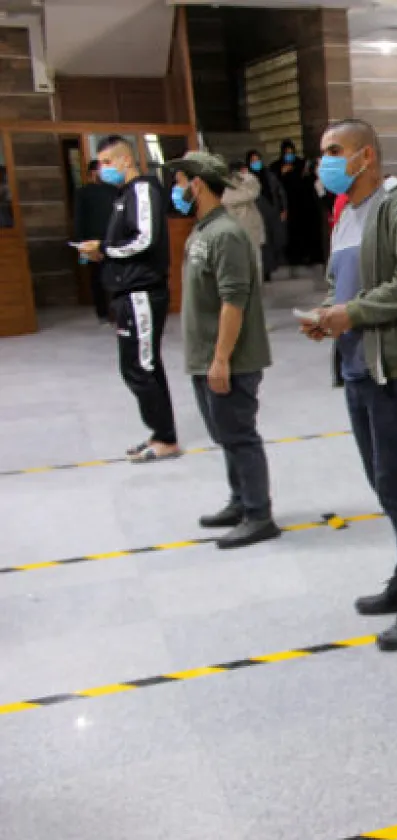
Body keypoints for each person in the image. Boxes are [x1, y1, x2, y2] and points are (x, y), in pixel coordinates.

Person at [300, 118, 397, 653]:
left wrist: (353, 312)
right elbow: (341, 283)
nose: (326, 160)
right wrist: (327, 314)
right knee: (383, 479)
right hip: (360, 363)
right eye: (323, 151)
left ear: (366, 155)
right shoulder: (346, 215)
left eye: (334, 150)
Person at [167, 152, 279, 549]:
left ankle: (258, 514)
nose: (177, 190)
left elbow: (235, 299)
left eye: (180, 181)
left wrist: (221, 359)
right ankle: (240, 501)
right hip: (206, 355)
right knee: (225, 434)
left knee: (239, 434)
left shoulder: (227, 234)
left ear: (196, 184)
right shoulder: (204, 230)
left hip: (230, 358)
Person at [80, 135, 180, 463]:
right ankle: (159, 432)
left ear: (126, 160)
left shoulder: (142, 190)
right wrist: (102, 253)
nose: (103, 170)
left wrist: (106, 250)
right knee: (138, 365)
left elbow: (146, 239)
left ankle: (165, 438)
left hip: (141, 292)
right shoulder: (123, 196)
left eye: (109, 163)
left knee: (141, 366)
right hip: (126, 290)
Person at [73, 159, 116, 325]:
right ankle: (102, 313)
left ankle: (116, 312)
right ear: (93, 172)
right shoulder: (83, 193)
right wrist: (81, 243)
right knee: (96, 278)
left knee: (114, 276)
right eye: (102, 169)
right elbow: (79, 218)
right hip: (92, 241)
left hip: (112, 240)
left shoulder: (114, 191)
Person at [277, 139, 324, 270]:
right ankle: (294, 258)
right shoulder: (277, 167)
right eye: (286, 153)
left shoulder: (301, 164)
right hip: (290, 207)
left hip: (305, 206)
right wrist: (283, 174)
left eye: (291, 152)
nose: (289, 155)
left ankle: (310, 256)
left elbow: (308, 182)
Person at [246, 149, 286, 281]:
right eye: (253, 161)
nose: (256, 163)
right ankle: (262, 271)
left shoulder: (269, 175)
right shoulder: (247, 179)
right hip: (256, 214)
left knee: (271, 241)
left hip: (271, 213)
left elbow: (279, 192)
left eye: (258, 160)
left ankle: (269, 269)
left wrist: (283, 208)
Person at [222, 160, 266, 257]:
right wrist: (243, 175)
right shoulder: (239, 187)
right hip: (243, 231)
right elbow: (254, 189)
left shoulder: (230, 188)